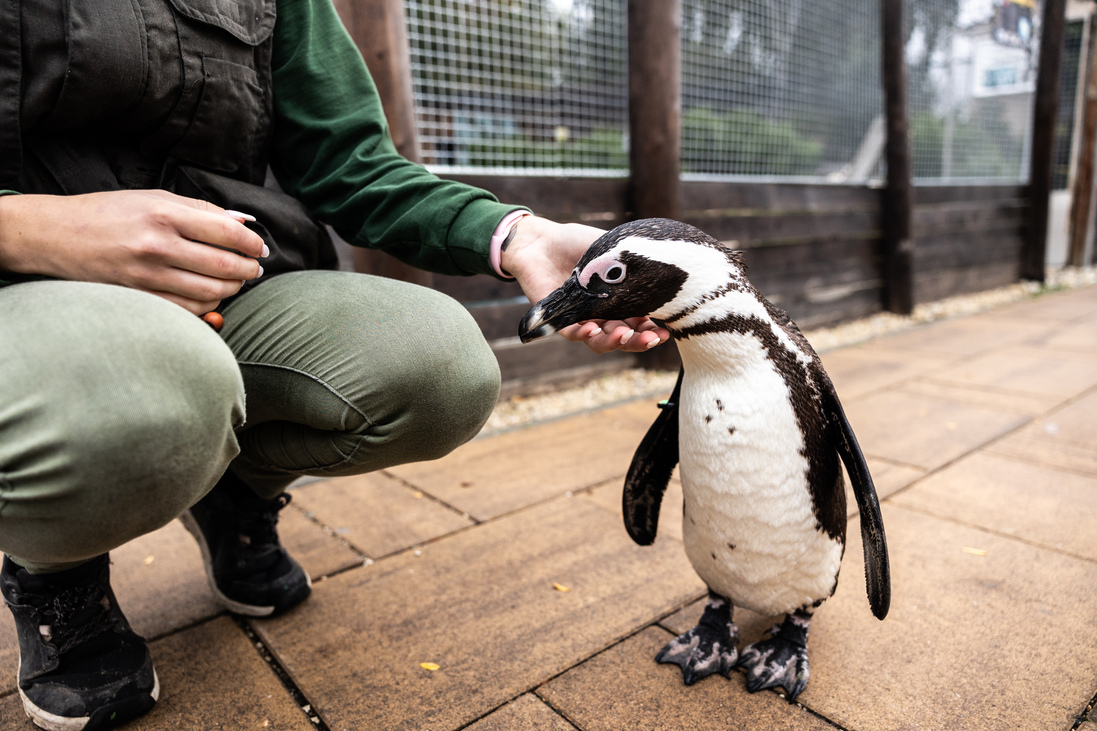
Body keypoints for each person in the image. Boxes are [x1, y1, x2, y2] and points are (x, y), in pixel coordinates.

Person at [0, 0, 670, 728]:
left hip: (234, 289)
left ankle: (235, 493)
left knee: (443, 370)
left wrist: (515, 236)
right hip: (23, 296)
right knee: (157, 390)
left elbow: (349, 163)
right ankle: (55, 573)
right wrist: (25, 226)